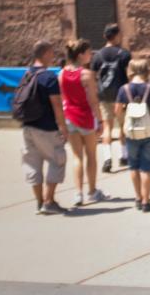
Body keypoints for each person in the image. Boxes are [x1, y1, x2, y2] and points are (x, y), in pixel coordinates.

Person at [21, 41, 68, 215]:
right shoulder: (48, 76)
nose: (53, 56)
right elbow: (56, 103)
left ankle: (39, 201)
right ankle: (49, 201)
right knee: (57, 160)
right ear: (46, 53)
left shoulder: (26, 74)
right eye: (52, 53)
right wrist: (63, 126)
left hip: (28, 126)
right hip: (47, 127)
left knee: (32, 163)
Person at [61, 39, 106, 206]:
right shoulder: (87, 75)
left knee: (76, 156)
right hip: (86, 117)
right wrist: (100, 120)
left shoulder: (61, 74)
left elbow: (63, 98)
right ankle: (92, 191)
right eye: (88, 52)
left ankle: (78, 193)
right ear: (81, 55)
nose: (91, 55)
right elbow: (93, 101)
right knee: (91, 155)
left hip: (70, 117)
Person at [116, 59, 150, 212]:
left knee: (133, 165)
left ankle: (138, 198)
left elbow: (117, 110)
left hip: (131, 132)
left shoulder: (124, 89)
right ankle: (147, 201)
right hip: (147, 131)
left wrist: (124, 122)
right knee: (147, 167)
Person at [90, 23, 131, 173]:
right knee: (123, 126)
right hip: (121, 95)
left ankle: (107, 158)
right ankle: (124, 155)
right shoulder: (124, 54)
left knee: (107, 127)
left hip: (104, 96)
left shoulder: (97, 55)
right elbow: (129, 75)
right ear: (117, 35)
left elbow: (92, 78)